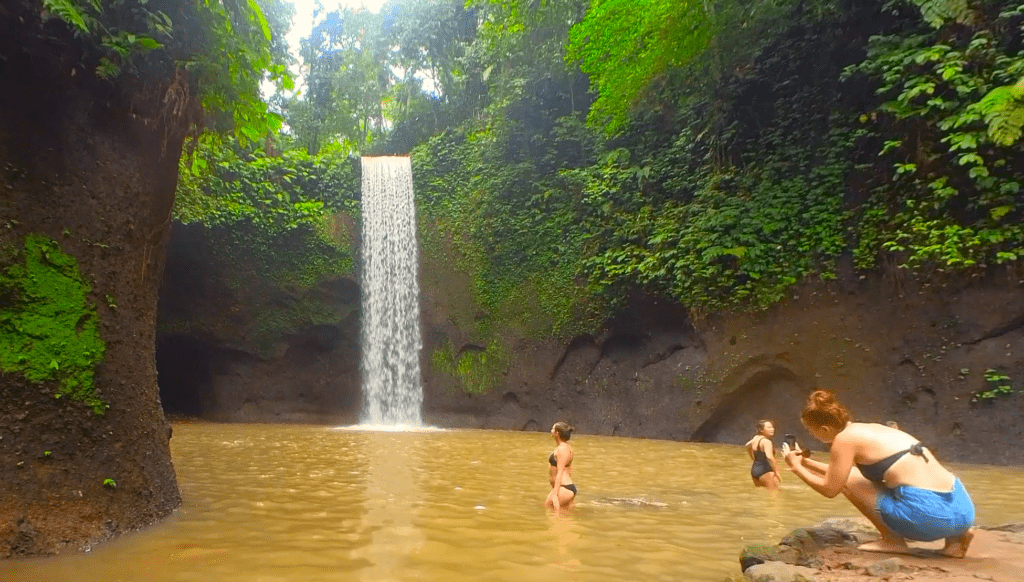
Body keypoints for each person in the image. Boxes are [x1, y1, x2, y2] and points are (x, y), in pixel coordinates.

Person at [783, 390, 975, 557]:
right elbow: (842, 473)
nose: (812, 435)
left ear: (824, 428)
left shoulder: (843, 440)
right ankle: (955, 542)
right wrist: (805, 462)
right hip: (963, 508)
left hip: (931, 517)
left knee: (850, 483)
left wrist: (797, 468)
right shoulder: (871, 429)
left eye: (811, 431)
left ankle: (892, 541)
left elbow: (831, 488)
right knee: (875, 480)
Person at [545, 422, 576, 513]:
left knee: (549, 509)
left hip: (564, 488)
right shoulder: (566, 448)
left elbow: (560, 472)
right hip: (566, 488)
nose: (551, 431)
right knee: (565, 516)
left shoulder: (562, 449)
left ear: (557, 433)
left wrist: (555, 494)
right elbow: (569, 470)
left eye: (552, 429)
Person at [744, 420, 782, 490]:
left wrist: (753, 459)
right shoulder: (766, 442)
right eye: (769, 427)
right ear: (761, 429)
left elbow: (747, 446)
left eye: (772, 427)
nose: (772, 429)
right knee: (775, 496)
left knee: (761, 495)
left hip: (755, 471)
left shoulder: (755, 438)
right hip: (766, 471)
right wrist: (777, 472)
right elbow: (770, 457)